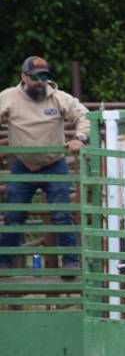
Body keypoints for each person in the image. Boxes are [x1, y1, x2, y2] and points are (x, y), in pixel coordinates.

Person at [0, 56, 90, 271]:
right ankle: (4, 263)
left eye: (45, 77)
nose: (41, 81)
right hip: (23, 165)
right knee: (14, 215)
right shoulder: (8, 97)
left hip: (54, 163)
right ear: (24, 77)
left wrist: (80, 137)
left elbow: (83, 115)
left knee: (61, 213)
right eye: (36, 77)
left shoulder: (58, 97)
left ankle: (70, 261)